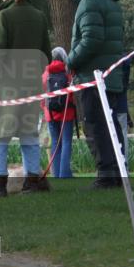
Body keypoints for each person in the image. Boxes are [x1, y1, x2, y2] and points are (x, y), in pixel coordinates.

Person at [60, 0, 129, 189]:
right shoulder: (109, 0)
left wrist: (71, 60)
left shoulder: (89, 2)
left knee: (95, 125)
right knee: (110, 125)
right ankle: (117, 172)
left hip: (93, 76)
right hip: (110, 75)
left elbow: (91, 40)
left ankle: (106, 175)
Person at [0, 0, 52, 197]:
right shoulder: (39, 16)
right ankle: (32, 182)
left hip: (4, 86)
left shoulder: (3, 16)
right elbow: (46, 54)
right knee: (29, 134)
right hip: (30, 85)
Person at [42, 47, 77, 178]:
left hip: (50, 114)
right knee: (67, 142)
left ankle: (57, 175)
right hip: (67, 113)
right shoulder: (68, 72)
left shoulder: (45, 73)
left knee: (56, 143)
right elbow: (72, 95)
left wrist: (45, 111)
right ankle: (65, 175)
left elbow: (42, 97)